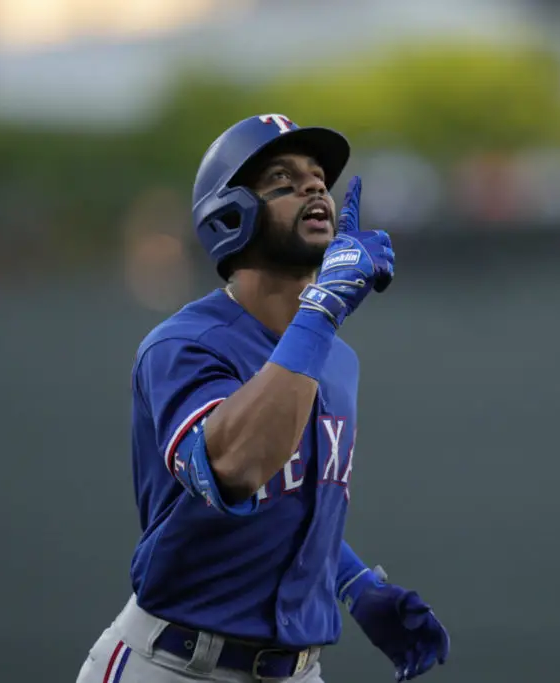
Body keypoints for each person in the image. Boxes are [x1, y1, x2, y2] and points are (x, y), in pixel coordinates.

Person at [76, 114, 449, 683]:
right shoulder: (182, 344)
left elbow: (288, 500)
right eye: (282, 178)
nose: (314, 186)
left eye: (319, 177)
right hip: (175, 664)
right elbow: (236, 468)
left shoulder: (335, 358)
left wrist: (351, 583)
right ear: (230, 214)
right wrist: (321, 308)